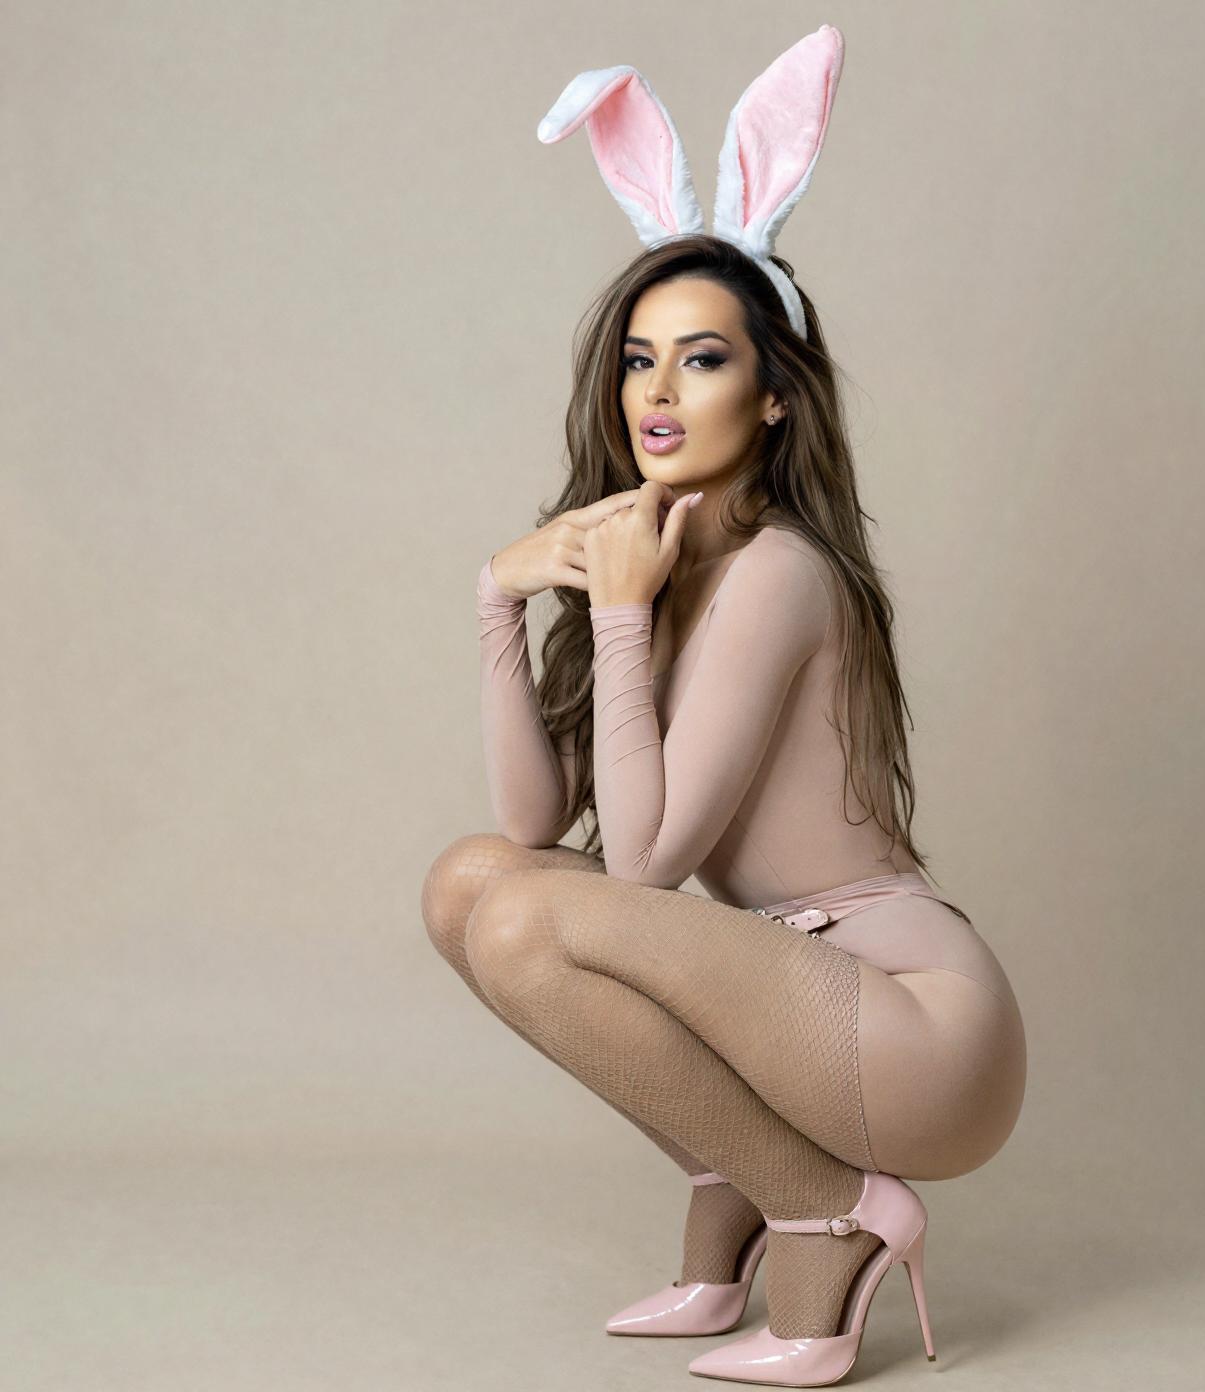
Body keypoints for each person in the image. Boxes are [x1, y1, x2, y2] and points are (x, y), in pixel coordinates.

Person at [421, 28, 1026, 1388]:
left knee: (524, 915)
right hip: (794, 995)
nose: (656, 392)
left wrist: (621, 614)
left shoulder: (778, 573)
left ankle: (829, 1218)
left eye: (701, 360)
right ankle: (740, 1192)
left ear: (774, 395)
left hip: (918, 1025)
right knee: (470, 881)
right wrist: (497, 599)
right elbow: (532, 824)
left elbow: (640, 867)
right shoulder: (664, 555)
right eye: (640, 359)